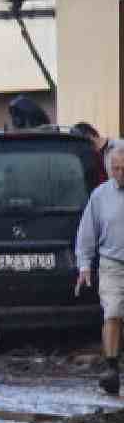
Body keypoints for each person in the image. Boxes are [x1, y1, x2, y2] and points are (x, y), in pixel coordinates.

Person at [75, 144, 124, 395]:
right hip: (112, 263)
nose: (120, 173)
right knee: (113, 312)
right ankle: (112, 367)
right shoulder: (100, 196)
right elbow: (87, 233)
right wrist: (84, 265)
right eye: (115, 169)